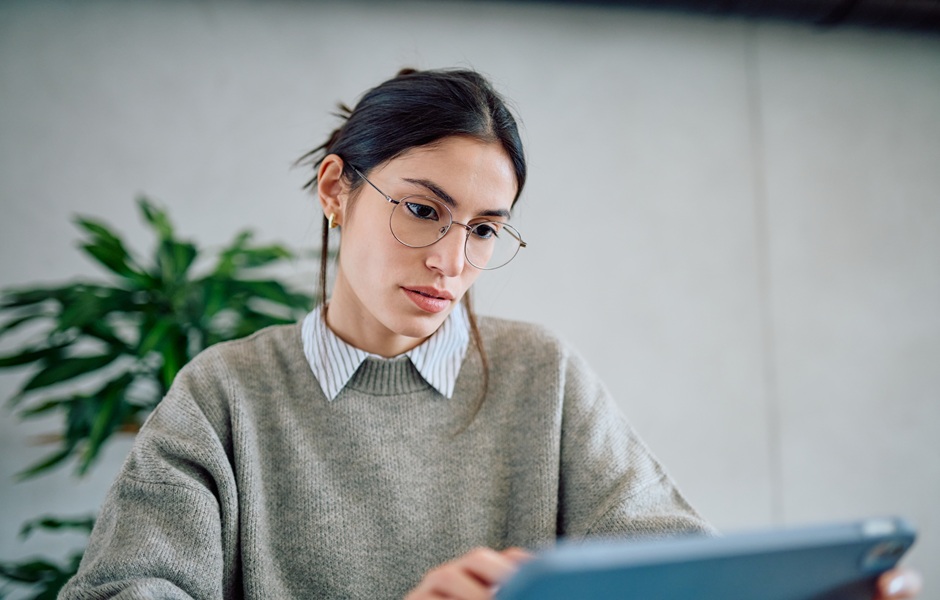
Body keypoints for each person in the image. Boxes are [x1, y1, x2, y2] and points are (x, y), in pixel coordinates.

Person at [60, 68, 921, 600]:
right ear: (335, 190)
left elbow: (668, 571)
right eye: (423, 210)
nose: (449, 258)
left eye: (483, 229)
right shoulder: (224, 395)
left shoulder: (540, 374)